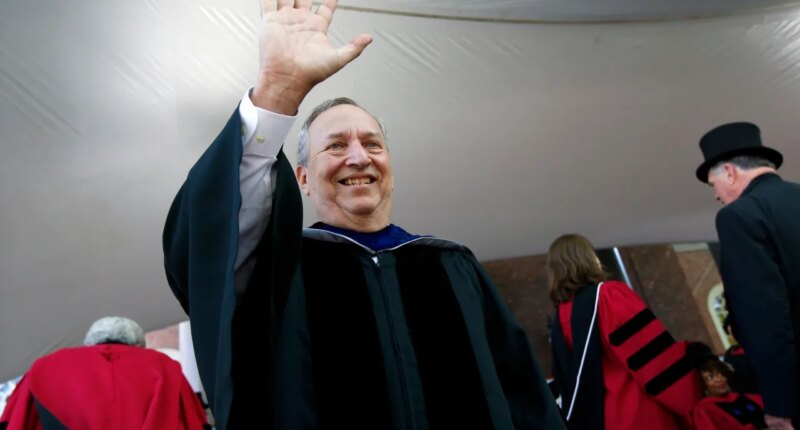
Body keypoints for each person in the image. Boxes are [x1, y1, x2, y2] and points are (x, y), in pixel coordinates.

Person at [162, 1, 564, 429]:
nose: (358, 157)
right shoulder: (276, 271)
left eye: (373, 145)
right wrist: (277, 94)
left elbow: (523, 396)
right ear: (302, 177)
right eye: (336, 145)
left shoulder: (452, 264)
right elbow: (205, 252)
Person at [695, 121, 800, 429]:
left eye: (713, 183)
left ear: (729, 171)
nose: (716, 195)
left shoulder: (739, 216)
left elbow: (765, 316)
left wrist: (780, 404)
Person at [547, 234, 702, 430]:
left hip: (606, 418)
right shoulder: (608, 296)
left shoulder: (562, 316)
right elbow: (652, 359)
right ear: (588, 258)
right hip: (639, 410)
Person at [0, 317, 208, 430]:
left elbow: (16, 422)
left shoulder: (44, 367)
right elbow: (193, 422)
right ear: (137, 343)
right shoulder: (164, 366)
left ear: (90, 341)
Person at [690, 356, 766, 430]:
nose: (719, 379)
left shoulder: (750, 397)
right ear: (702, 385)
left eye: (720, 374)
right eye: (710, 378)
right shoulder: (704, 410)